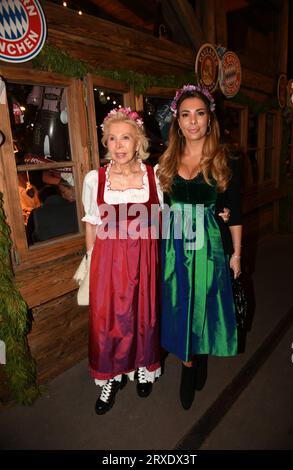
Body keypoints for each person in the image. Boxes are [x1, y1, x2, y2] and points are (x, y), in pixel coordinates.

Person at [157, 84, 242, 410]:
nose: (193, 121)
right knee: (180, 305)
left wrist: (236, 253)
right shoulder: (167, 159)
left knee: (204, 303)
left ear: (209, 119)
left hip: (208, 245)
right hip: (174, 244)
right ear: (177, 121)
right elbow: (161, 207)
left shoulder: (227, 158)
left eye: (200, 114)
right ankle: (189, 362)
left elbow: (235, 210)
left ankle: (196, 360)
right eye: (185, 115)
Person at [81, 107, 162, 415]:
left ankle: (143, 365)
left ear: (138, 140)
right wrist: (91, 261)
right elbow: (91, 222)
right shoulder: (96, 178)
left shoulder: (152, 176)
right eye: (112, 138)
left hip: (143, 258)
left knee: (143, 315)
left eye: (125, 137)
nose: (118, 145)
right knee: (107, 321)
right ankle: (110, 377)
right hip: (108, 260)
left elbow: (161, 219)